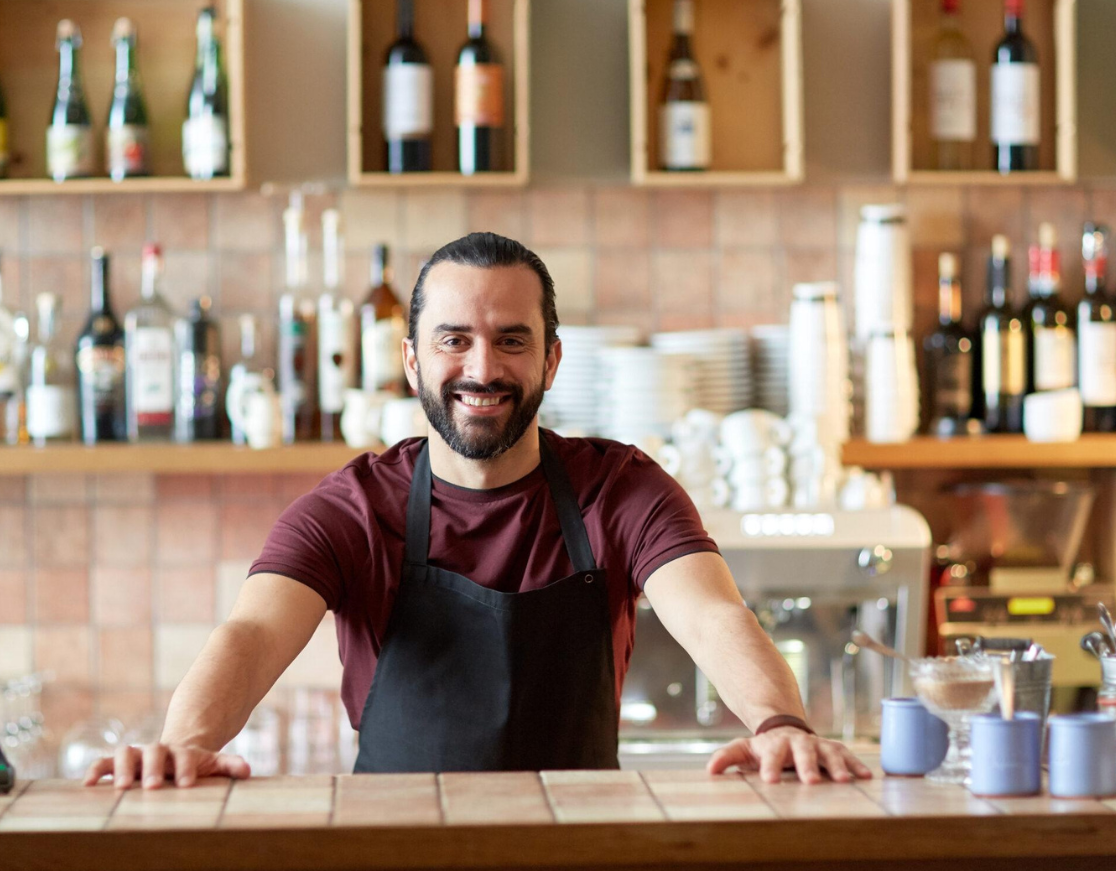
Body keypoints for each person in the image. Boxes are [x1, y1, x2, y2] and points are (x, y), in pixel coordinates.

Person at [84, 232, 871, 790]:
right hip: (391, 861)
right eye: (453, 340)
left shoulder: (620, 489)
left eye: (511, 341)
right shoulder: (356, 506)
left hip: (584, 858)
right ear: (411, 359)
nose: (481, 368)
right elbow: (253, 631)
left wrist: (778, 725)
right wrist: (182, 745)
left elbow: (710, 615)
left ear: (552, 359)